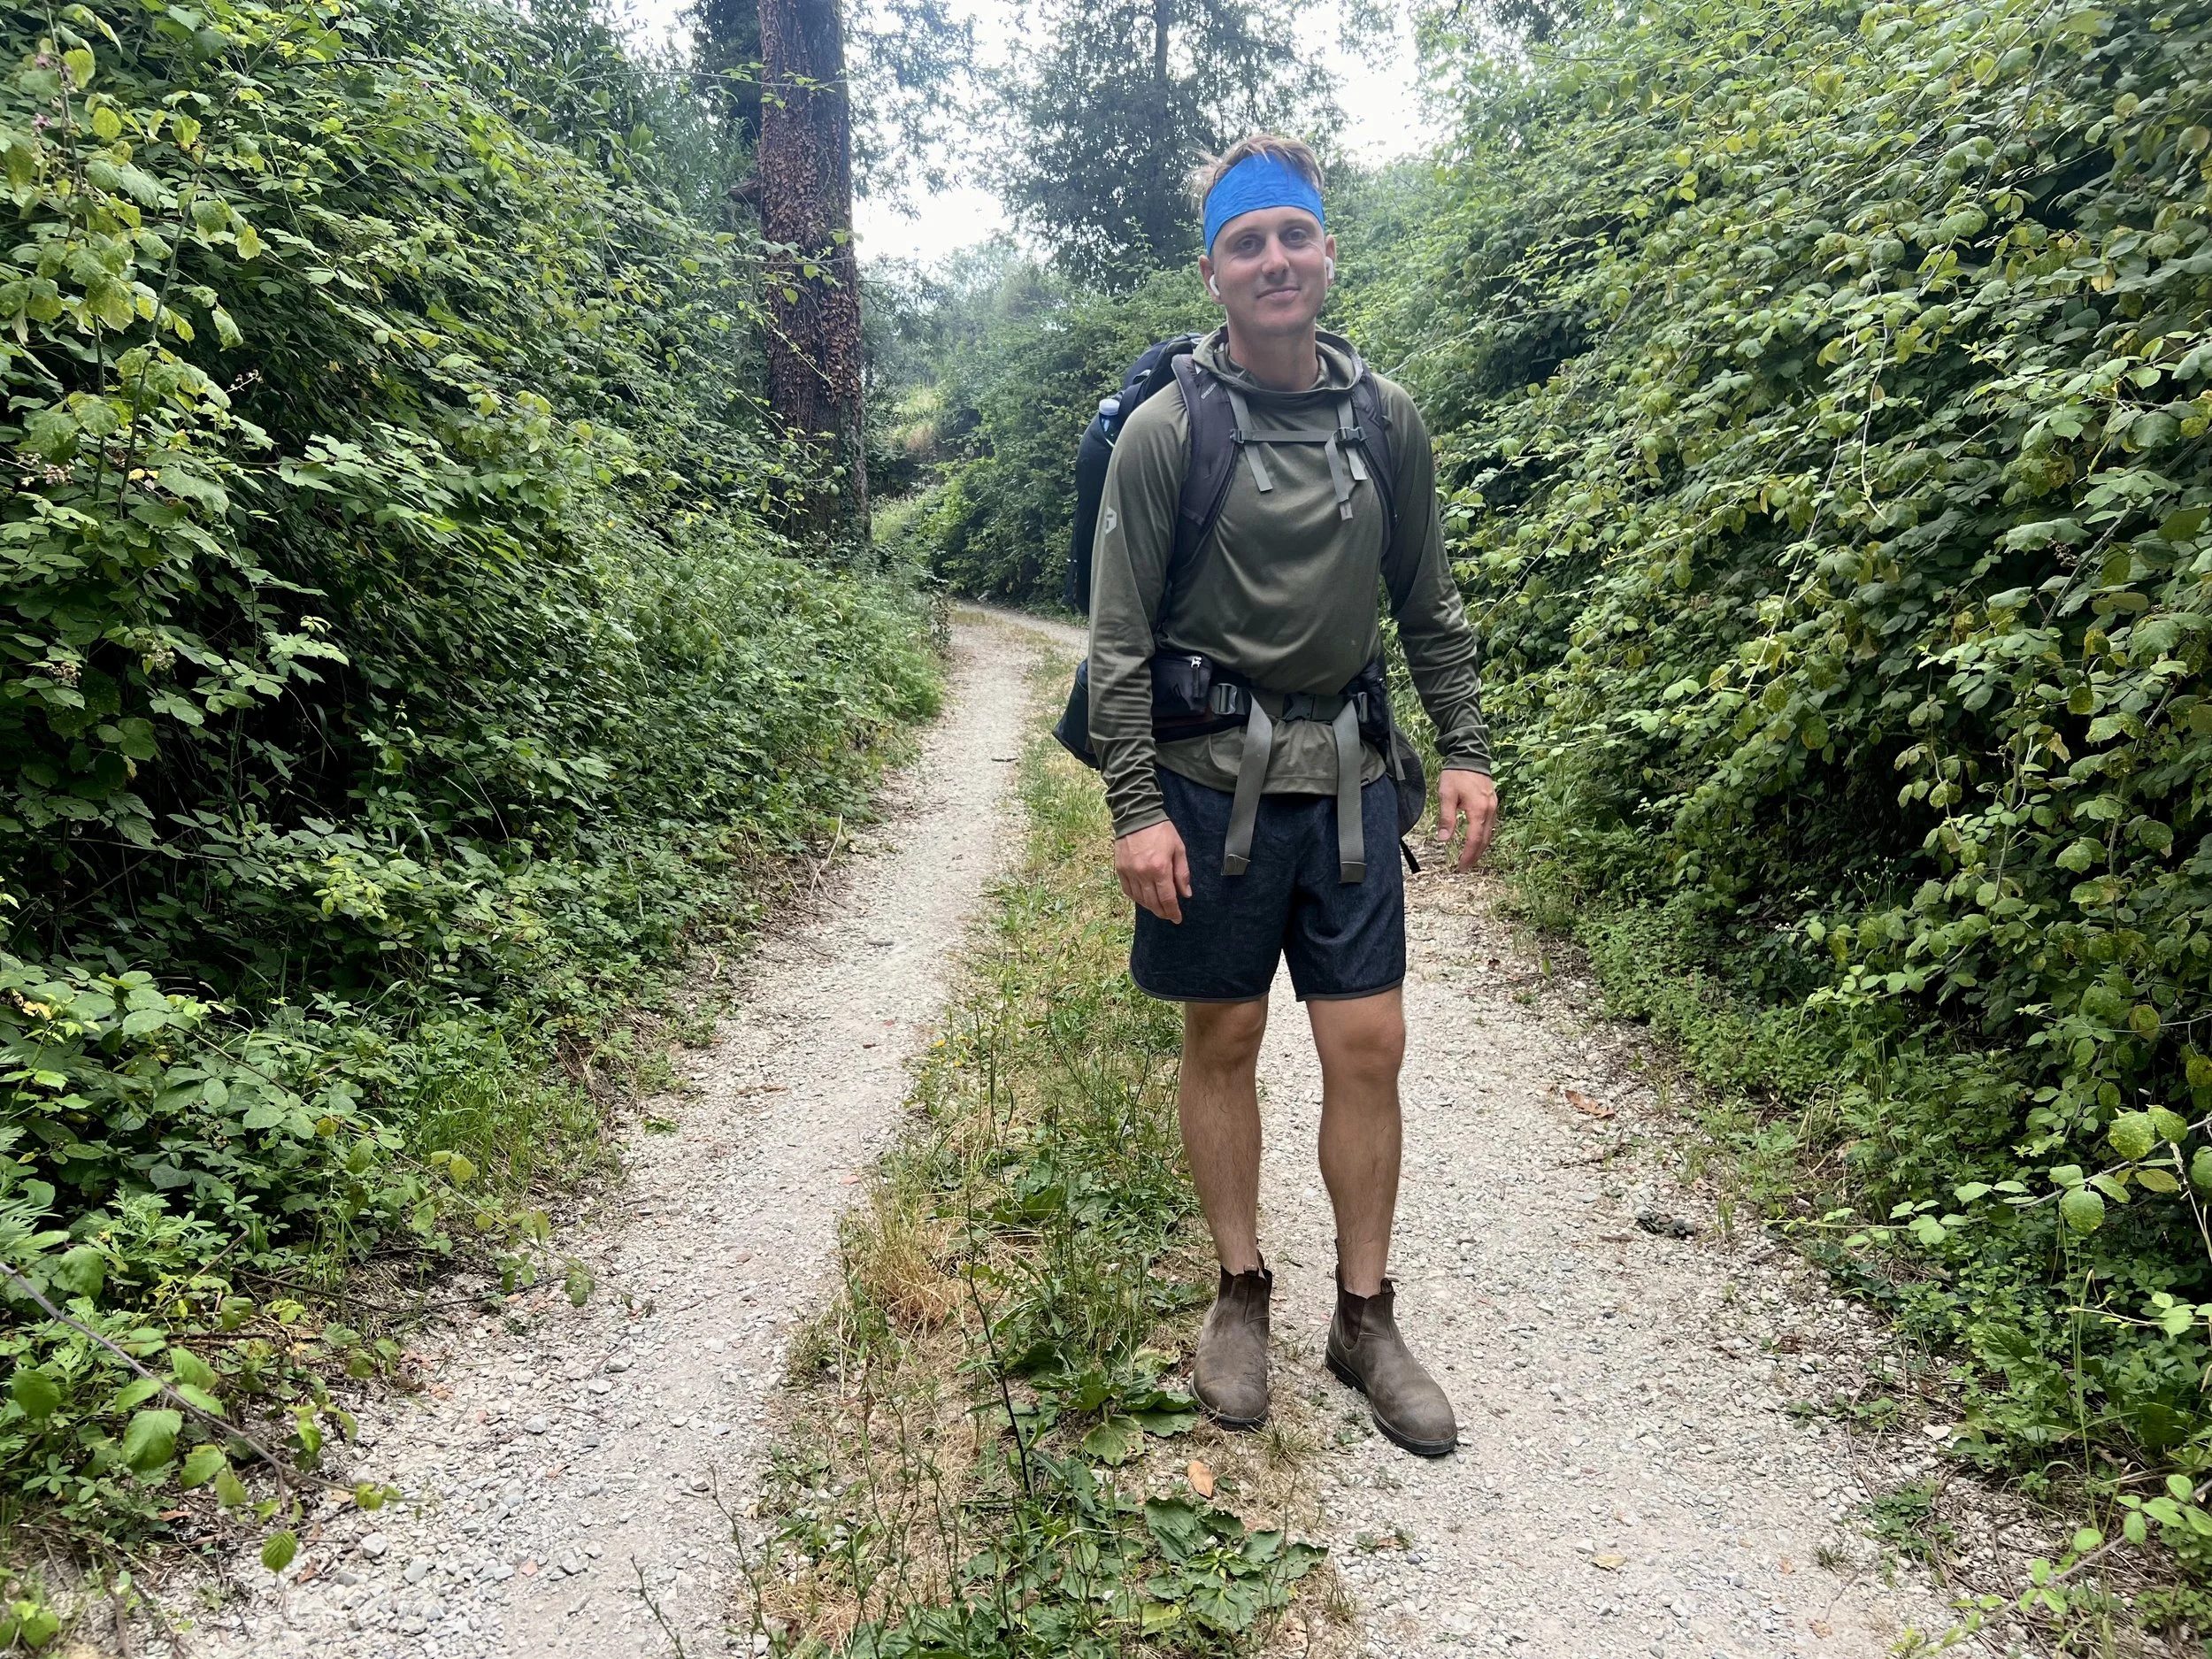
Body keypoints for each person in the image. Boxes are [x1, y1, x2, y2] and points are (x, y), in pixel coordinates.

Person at [1085, 134, 1497, 1456]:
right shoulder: (1169, 432)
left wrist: (1470, 746)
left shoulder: (1388, 420)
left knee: (1367, 1044)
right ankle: (1240, 1291)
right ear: (1213, 270)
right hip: (1208, 792)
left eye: (1294, 236)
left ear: (1327, 252)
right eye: (1247, 241)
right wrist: (1134, 807)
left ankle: (1364, 1318)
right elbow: (1117, 640)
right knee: (1222, 1040)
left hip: (1354, 789)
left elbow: (1428, 607)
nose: (1275, 259)